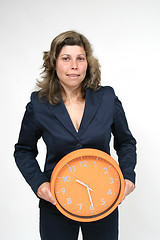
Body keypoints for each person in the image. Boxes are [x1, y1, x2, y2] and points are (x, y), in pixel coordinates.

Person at [14, 30, 137, 240]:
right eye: (66, 58)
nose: (74, 65)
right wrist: (40, 184)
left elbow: (125, 142)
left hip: (102, 198)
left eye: (80, 58)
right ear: (54, 63)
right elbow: (23, 150)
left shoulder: (107, 98)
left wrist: (127, 176)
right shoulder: (39, 104)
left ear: (87, 63)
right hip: (56, 202)